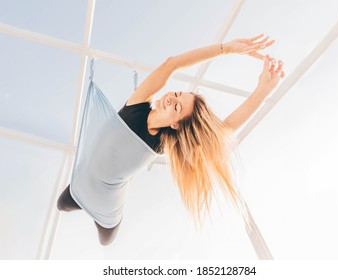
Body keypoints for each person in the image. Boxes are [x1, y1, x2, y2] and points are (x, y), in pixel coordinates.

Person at [57, 34, 285, 246]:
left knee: (106, 241)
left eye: (176, 107)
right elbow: (171, 64)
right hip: (81, 184)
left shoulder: (163, 143)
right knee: (61, 204)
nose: (169, 99)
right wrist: (227, 49)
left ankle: (105, 228)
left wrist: (263, 90)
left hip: (108, 205)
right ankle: (77, 202)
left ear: (176, 124)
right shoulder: (138, 104)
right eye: (176, 94)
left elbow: (224, 129)